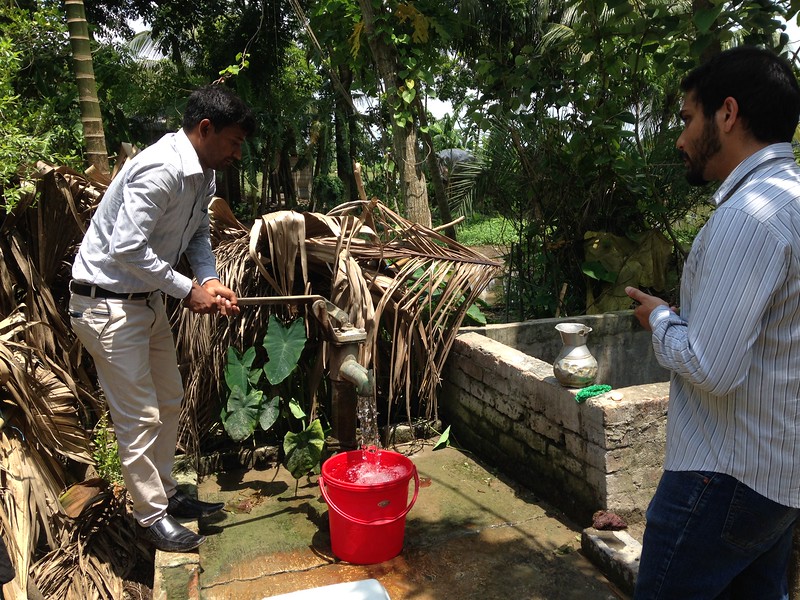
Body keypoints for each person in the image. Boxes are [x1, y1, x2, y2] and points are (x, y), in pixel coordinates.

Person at [625, 46, 800, 599]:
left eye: (686, 118)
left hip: (721, 479)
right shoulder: (792, 201)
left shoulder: (749, 217)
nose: (680, 138)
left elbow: (711, 366)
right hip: (778, 480)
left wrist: (661, 320)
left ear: (727, 114)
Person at [70, 84, 255, 553]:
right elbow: (127, 247)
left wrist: (209, 278)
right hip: (106, 303)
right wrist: (186, 290)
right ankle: (150, 516)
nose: (237, 152)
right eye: (233, 142)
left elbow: (196, 234)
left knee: (169, 400)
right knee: (139, 417)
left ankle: (168, 496)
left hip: (144, 302)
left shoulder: (203, 175)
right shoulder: (161, 168)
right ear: (205, 129)